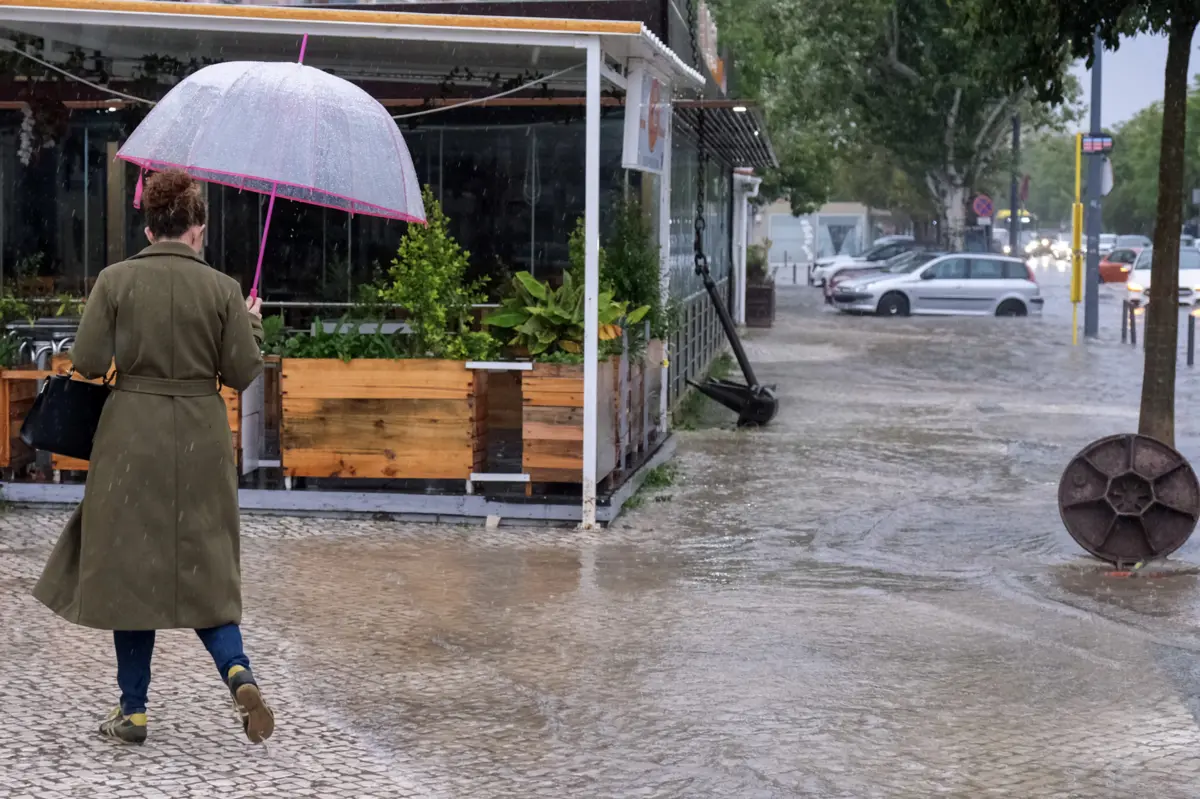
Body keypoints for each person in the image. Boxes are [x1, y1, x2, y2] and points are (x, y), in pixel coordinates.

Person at [33, 169, 274, 746]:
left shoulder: (116, 280)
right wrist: (249, 324)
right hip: (200, 436)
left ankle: (133, 711)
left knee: (133, 571)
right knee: (206, 562)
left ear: (148, 227)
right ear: (198, 229)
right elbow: (241, 373)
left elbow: (88, 362)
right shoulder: (222, 288)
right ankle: (237, 670)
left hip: (129, 436)